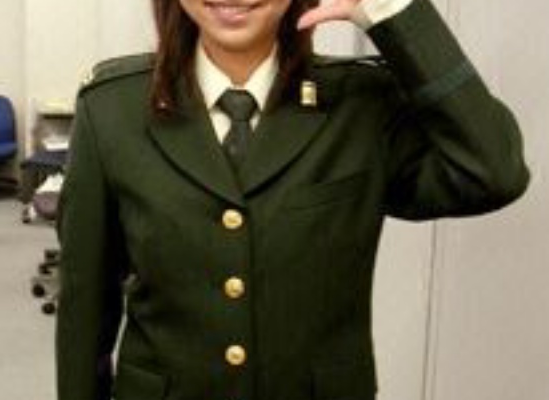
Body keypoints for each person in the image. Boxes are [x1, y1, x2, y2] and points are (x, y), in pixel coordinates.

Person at [56, 0, 529, 400]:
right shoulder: (112, 110)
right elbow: (85, 309)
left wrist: (394, 11)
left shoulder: (360, 104)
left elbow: (493, 172)